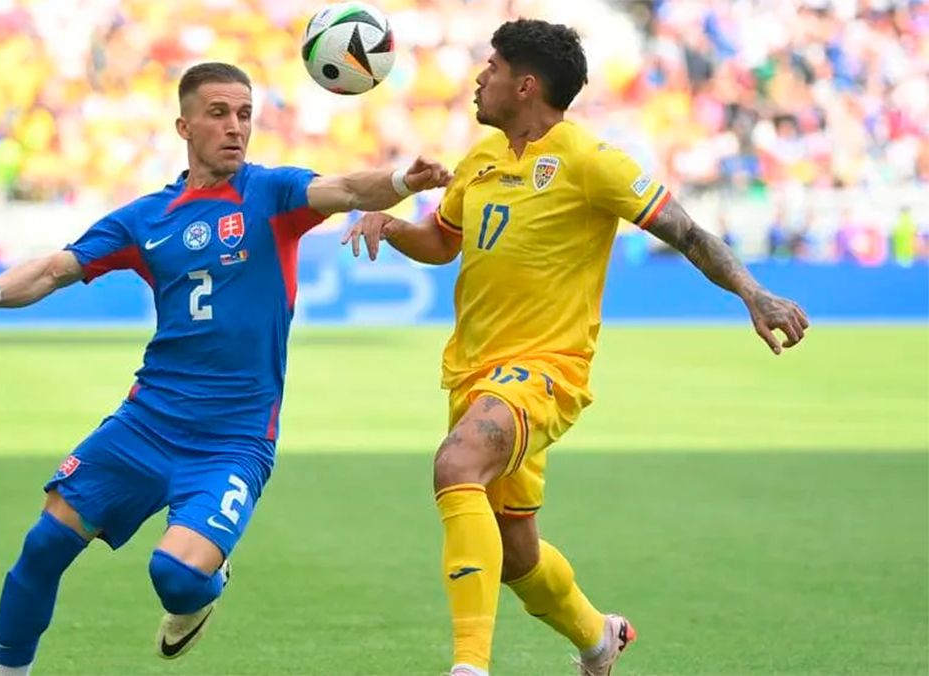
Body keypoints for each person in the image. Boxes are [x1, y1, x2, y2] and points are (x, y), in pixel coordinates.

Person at [0, 62, 450, 675]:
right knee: (43, 546)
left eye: (245, 114)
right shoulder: (145, 219)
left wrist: (402, 179)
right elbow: (54, 269)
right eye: (218, 113)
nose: (235, 127)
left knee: (176, 576)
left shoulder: (272, 194)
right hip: (147, 422)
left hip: (233, 440)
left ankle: (207, 583)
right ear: (184, 126)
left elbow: (345, 189)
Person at [342, 20, 809, 676]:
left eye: (493, 67)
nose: (479, 77)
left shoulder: (591, 160)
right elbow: (443, 242)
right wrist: (392, 227)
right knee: (515, 556)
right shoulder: (480, 159)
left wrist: (753, 293)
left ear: (526, 86)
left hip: (546, 369)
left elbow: (688, 233)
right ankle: (598, 638)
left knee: (457, 463)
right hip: (474, 371)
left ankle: (469, 667)